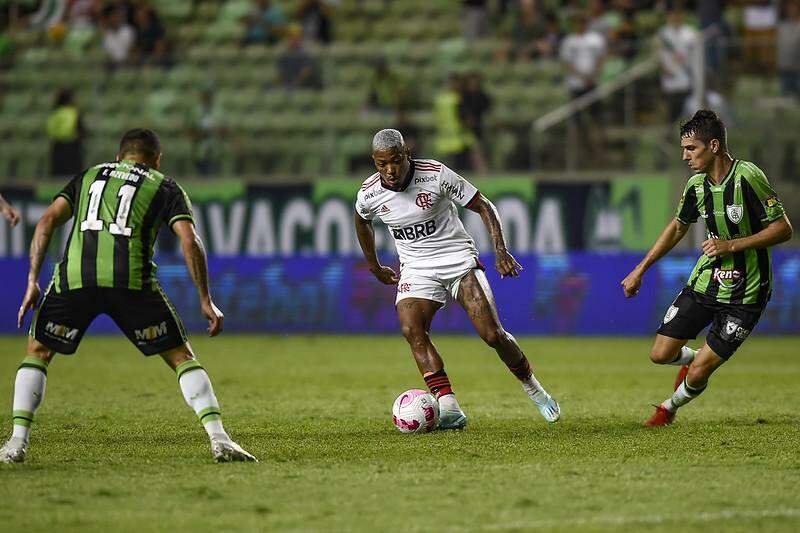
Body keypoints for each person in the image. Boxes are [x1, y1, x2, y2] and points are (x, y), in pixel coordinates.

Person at [0, 129, 256, 463]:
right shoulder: (164, 185)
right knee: (181, 357)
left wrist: (32, 280)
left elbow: (47, 221)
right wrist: (205, 299)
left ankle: (16, 443)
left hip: (77, 279)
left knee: (38, 350)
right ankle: (219, 438)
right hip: (132, 283)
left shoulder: (89, 175)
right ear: (157, 160)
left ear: (119, 155)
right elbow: (190, 240)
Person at [354, 129, 560, 430]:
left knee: (492, 334)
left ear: (406, 154)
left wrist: (500, 250)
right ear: (374, 162)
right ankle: (449, 407)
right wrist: (374, 265)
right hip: (416, 267)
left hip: (457, 259)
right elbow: (361, 220)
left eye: (396, 161)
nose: (390, 170)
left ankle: (533, 388)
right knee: (412, 329)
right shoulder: (369, 193)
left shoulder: (435, 174)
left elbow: (483, 205)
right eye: (382, 164)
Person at [621, 110, 792, 427]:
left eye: (691, 149)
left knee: (700, 371)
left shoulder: (748, 176)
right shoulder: (696, 186)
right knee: (660, 354)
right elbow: (676, 228)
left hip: (748, 292)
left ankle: (667, 409)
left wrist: (732, 245)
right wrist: (640, 269)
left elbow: (783, 229)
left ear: (713, 146)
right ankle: (700, 357)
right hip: (706, 283)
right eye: (684, 149)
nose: (685, 156)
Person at [657, 7, 698, 123]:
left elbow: (695, 53)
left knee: (686, 105)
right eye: (672, 15)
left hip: (686, 75)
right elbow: (657, 53)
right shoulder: (663, 33)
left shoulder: (690, 32)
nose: (675, 17)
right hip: (669, 75)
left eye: (677, 14)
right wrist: (663, 68)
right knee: (671, 108)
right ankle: (669, 130)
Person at [46, 89, 85, 178]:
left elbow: (49, 129)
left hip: (57, 145)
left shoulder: (55, 112)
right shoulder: (73, 112)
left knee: (58, 173)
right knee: (72, 174)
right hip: (72, 146)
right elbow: (80, 128)